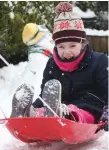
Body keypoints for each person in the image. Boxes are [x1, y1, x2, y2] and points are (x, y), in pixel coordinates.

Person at [11, 2, 108, 131]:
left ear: (82, 43)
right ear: (55, 46)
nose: (66, 52)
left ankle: (65, 115)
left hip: (89, 107)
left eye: (72, 46)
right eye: (61, 47)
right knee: (45, 107)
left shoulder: (99, 61)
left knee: (82, 111)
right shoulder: (52, 64)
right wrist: (37, 105)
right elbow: (46, 94)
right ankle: (30, 115)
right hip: (56, 104)